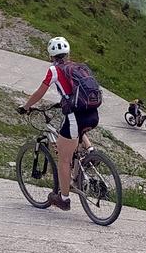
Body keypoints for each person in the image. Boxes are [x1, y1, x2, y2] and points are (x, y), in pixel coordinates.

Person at [19, 35, 98, 211]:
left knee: (63, 159)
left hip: (75, 117)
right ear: (68, 53)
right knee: (75, 135)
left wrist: (26, 106)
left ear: (50, 56)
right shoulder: (78, 67)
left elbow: (40, 92)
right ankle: (91, 153)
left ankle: (63, 199)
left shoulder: (54, 70)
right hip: (92, 114)